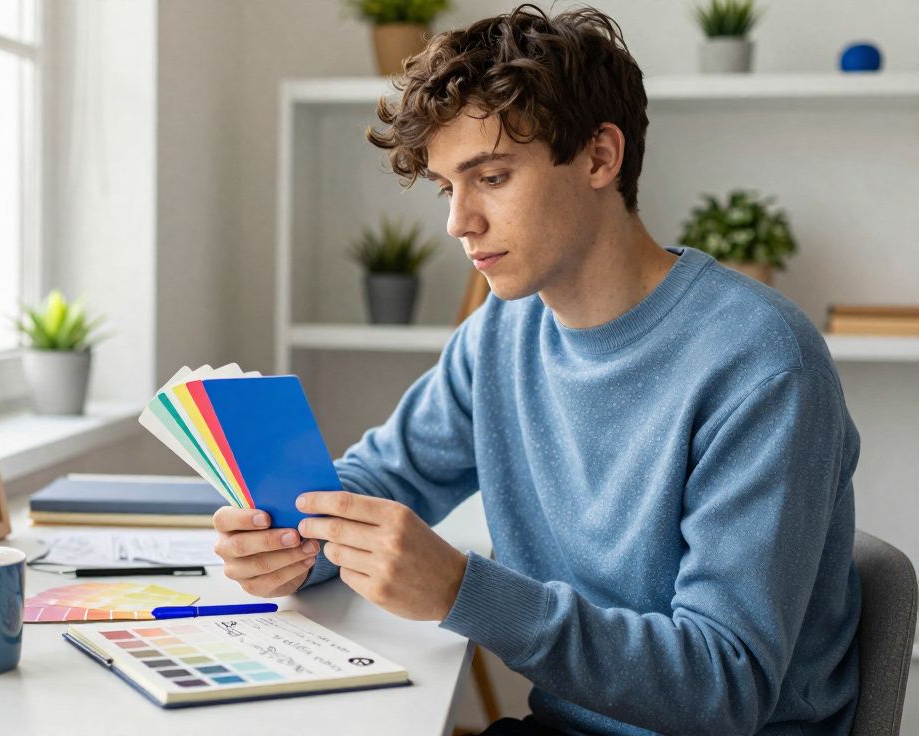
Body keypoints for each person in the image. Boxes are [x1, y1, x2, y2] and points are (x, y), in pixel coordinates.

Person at [212, 5, 861, 734]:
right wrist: (294, 546)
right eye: (446, 187)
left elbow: (723, 685)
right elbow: (382, 478)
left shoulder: (761, 364)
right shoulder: (500, 335)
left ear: (598, 158)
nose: (459, 222)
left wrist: (463, 589)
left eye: (490, 176)